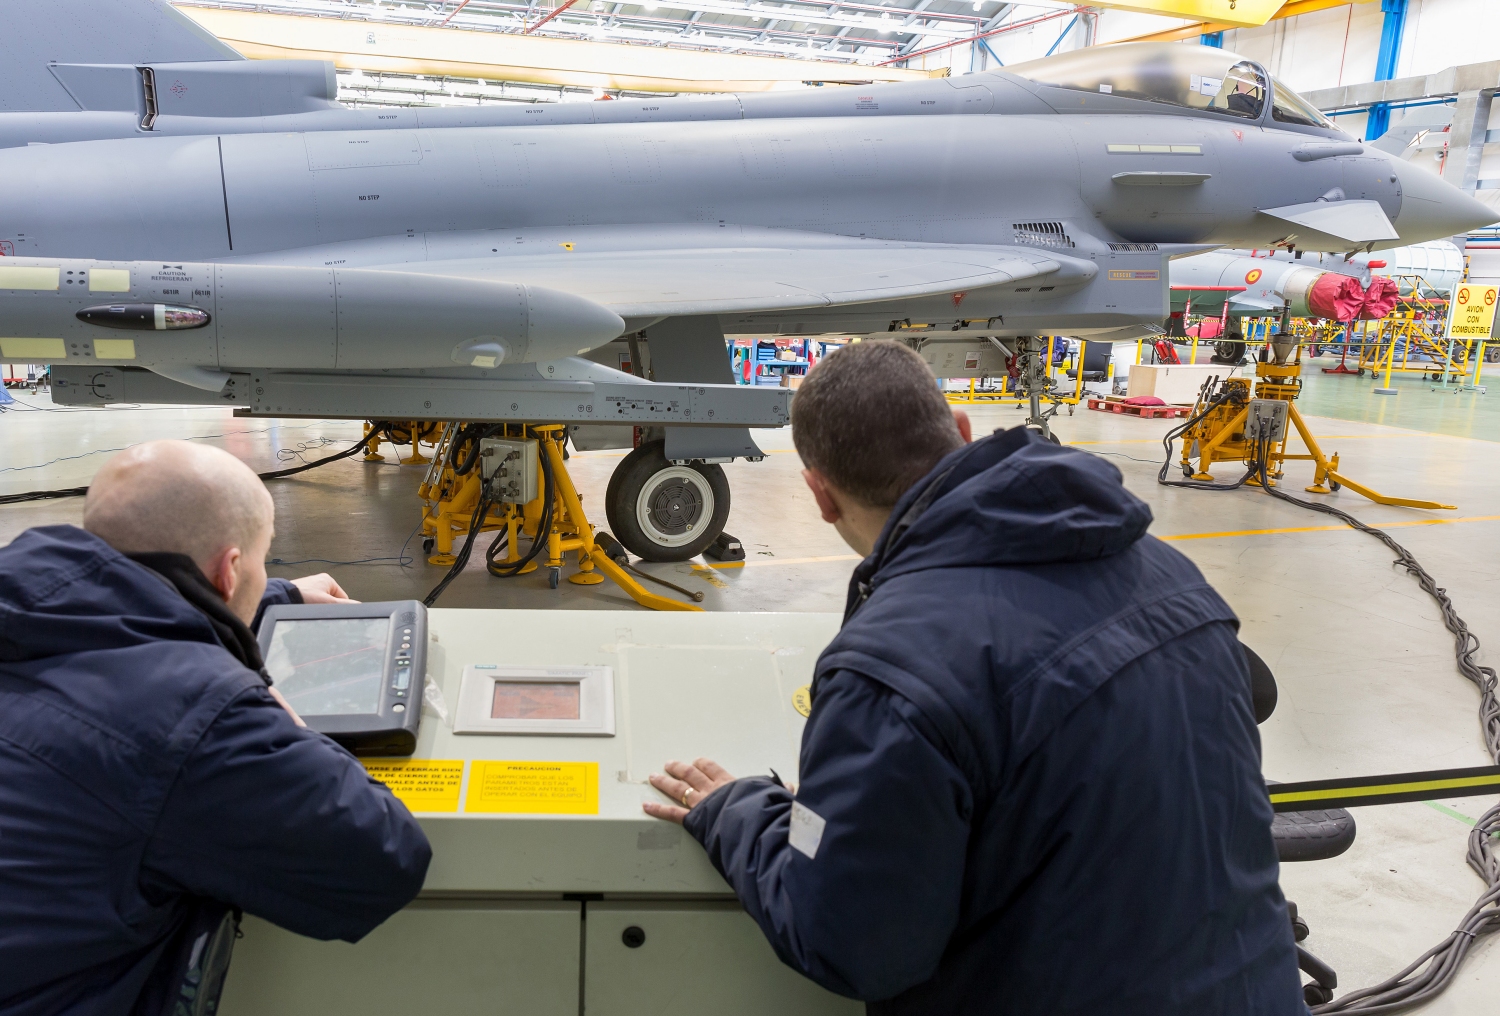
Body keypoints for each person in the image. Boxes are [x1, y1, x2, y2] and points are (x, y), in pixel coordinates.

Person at [643, 342, 1302, 1014]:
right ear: (960, 430)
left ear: (820, 495)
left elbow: (853, 942)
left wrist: (738, 810)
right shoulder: (1168, 573)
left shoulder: (891, 670)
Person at [0, 440, 431, 1015]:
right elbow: (384, 858)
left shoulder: (25, 599)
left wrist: (279, 593)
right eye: (259, 562)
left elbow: (123, 602)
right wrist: (262, 693)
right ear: (230, 572)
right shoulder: (196, 717)